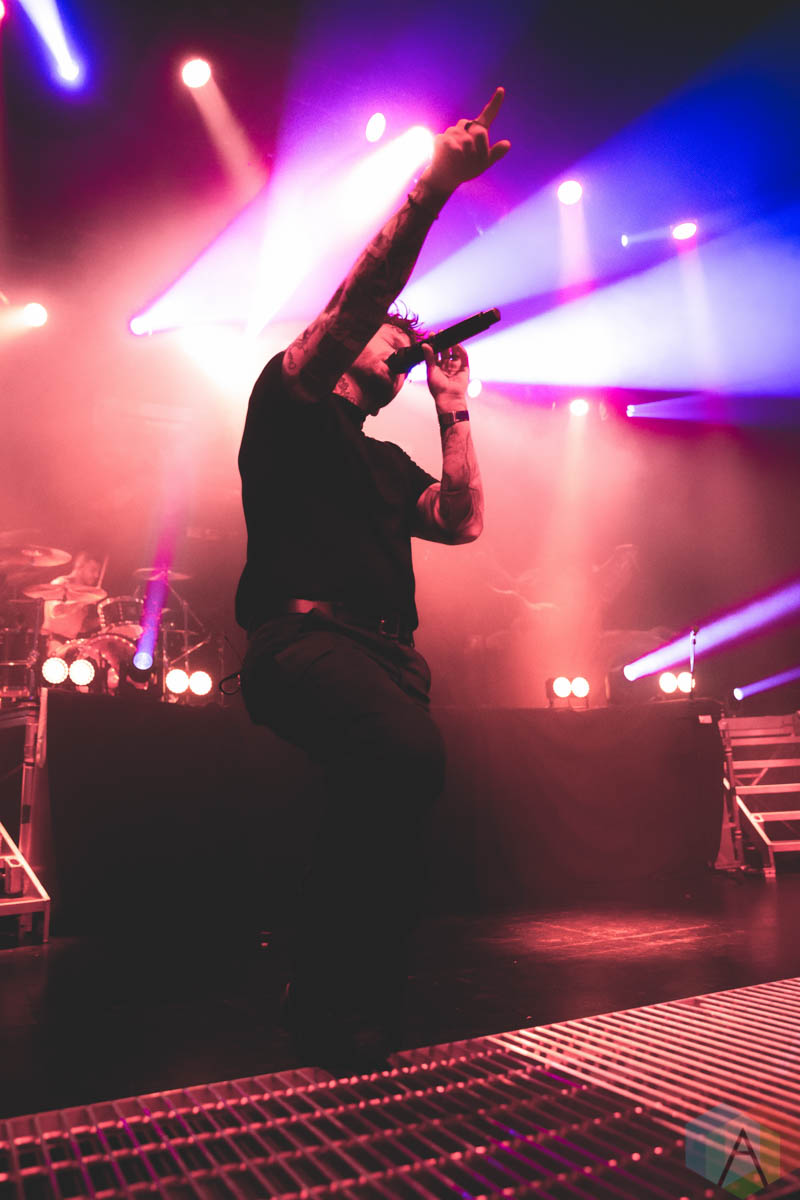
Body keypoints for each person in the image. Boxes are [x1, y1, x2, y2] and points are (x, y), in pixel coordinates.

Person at [236, 88, 510, 1073]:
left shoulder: (385, 459)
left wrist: (452, 406)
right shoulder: (289, 396)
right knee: (403, 759)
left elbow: (462, 521)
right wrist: (431, 188)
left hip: (390, 658)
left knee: (393, 811)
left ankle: (341, 1000)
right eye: (395, 339)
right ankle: (326, 984)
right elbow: (358, 301)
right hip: (303, 642)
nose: (404, 350)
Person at [41, 550, 105, 646]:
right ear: (80, 567)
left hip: (69, 642)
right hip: (52, 642)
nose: (96, 575)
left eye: (98, 572)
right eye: (93, 570)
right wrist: (85, 601)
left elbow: (81, 628)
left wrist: (103, 620)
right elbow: (57, 611)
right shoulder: (60, 583)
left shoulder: (83, 593)